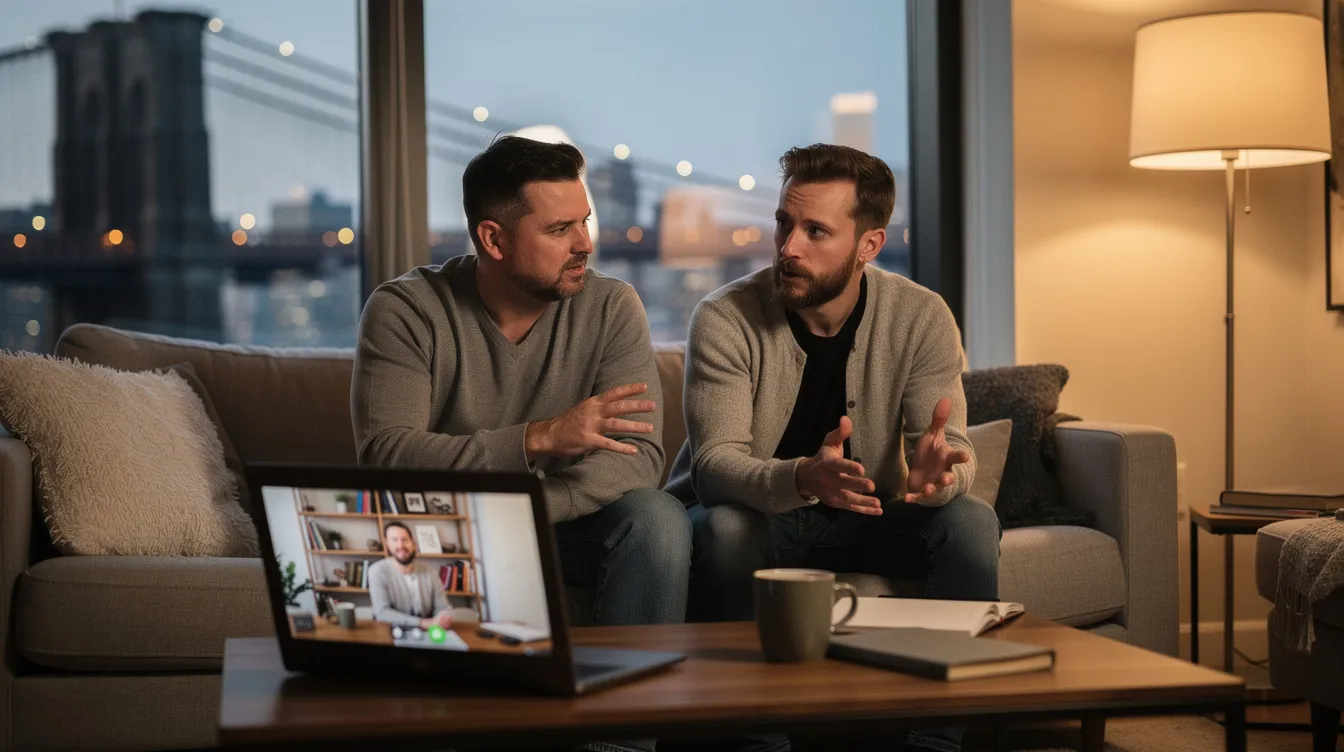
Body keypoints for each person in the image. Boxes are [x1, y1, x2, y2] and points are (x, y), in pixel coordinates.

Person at [666, 143, 1000, 752]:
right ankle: (758, 741)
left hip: (867, 518)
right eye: (784, 224)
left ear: (869, 245)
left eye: (815, 230)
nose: (788, 247)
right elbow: (713, 469)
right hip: (760, 518)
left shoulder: (922, 318)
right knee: (727, 531)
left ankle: (939, 741)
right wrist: (800, 479)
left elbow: (947, 447)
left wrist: (939, 480)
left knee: (970, 523)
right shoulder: (724, 317)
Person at [351, 134, 690, 628]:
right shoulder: (405, 311)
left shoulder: (611, 307)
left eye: (584, 222)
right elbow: (389, 458)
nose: (585, 244)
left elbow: (638, 460)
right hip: (447, 536)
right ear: (493, 239)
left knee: (658, 518)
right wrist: (538, 439)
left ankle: (631, 702)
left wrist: (526, 510)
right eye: (559, 229)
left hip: (562, 527)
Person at [368, 521, 454, 630]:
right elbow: (382, 612)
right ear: (387, 544)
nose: (400, 545)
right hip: (391, 631)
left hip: (428, 632)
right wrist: (422, 623)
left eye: (405, 539)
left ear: (413, 544)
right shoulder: (377, 571)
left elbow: (443, 607)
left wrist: (443, 618)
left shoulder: (430, 571)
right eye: (394, 540)